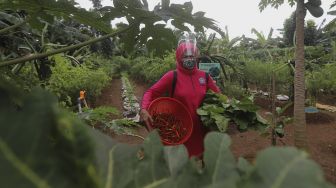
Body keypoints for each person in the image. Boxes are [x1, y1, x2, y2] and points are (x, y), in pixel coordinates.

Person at [140, 34, 220, 157]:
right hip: (181, 129)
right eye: (186, 56)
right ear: (179, 57)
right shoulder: (172, 76)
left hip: (203, 128)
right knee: (182, 162)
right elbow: (151, 92)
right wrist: (144, 108)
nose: (190, 59)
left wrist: (229, 105)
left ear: (196, 57)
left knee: (205, 158)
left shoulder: (204, 76)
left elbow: (218, 96)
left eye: (192, 56)